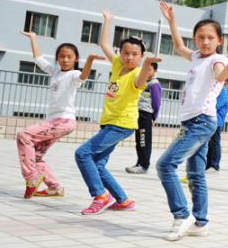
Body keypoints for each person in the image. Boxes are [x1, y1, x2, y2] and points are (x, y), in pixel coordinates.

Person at [156, 2, 228, 241]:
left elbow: (219, 76)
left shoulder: (218, 59)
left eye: (210, 38)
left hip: (202, 122)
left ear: (219, 40)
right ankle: (201, 223)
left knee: (165, 165)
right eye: (200, 37)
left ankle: (182, 215)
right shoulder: (195, 56)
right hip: (192, 122)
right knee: (195, 174)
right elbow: (178, 46)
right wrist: (172, 21)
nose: (205, 42)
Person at [75, 11, 157, 215]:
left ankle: (100, 196)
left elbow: (141, 80)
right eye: (126, 52)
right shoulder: (118, 64)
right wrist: (108, 21)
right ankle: (124, 200)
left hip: (122, 124)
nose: (129, 57)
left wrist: (147, 64)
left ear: (141, 56)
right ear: (120, 53)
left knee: (82, 154)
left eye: (135, 54)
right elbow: (104, 44)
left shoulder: (137, 74)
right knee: (98, 165)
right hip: (109, 122)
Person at [17, 32, 93, 198]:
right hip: (53, 122)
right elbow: (38, 59)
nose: (65, 60)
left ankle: (31, 178)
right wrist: (33, 38)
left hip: (64, 121)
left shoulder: (74, 75)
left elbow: (84, 76)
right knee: (36, 156)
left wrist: (90, 60)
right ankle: (55, 187)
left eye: (69, 57)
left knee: (24, 135)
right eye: (61, 56)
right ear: (57, 58)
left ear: (76, 59)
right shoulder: (55, 72)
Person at [126, 62, 161, 174]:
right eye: (145, 69)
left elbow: (156, 102)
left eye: (149, 70)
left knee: (143, 140)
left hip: (146, 114)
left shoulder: (154, 84)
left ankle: (144, 165)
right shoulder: (142, 81)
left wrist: (154, 117)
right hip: (138, 113)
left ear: (155, 71)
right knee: (139, 140)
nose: (146, 72)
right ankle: (139, 163)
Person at [206, 84, 228, 171]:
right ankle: (208, 163)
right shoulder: (216, 91)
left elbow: (216, 105)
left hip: (217, 121)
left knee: (215, 142)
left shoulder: (223, 92)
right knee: (210, 143)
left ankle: (215, 164)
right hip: (211, 120)